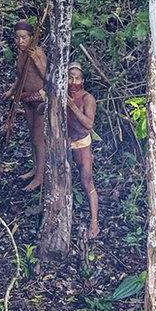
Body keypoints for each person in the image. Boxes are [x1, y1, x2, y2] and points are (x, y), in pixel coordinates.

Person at [3, 20, 47, 191]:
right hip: (26, 99)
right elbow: (21, 76)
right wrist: (11, 91)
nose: (20, 42)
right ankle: (35, 168)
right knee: (32, 137)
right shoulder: (21, 55)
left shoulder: (37, 53)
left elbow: (47, 75)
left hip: (40, 100)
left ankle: (40, 177)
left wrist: (36, 60)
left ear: (31, 38)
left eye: (24, 38)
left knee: (38, 139)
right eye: (17, 38)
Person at [67, 63, 99, 238]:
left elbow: (88, 124)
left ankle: (94, 221)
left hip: (81, 144)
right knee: (63, 181)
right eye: (70, 77)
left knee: (86, 181)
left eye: (77, 78)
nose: (73, 82)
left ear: (83, 81)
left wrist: (72, 107)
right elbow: (42, 111)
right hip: (63, 144)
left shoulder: (87, 99)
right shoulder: (61, 94)